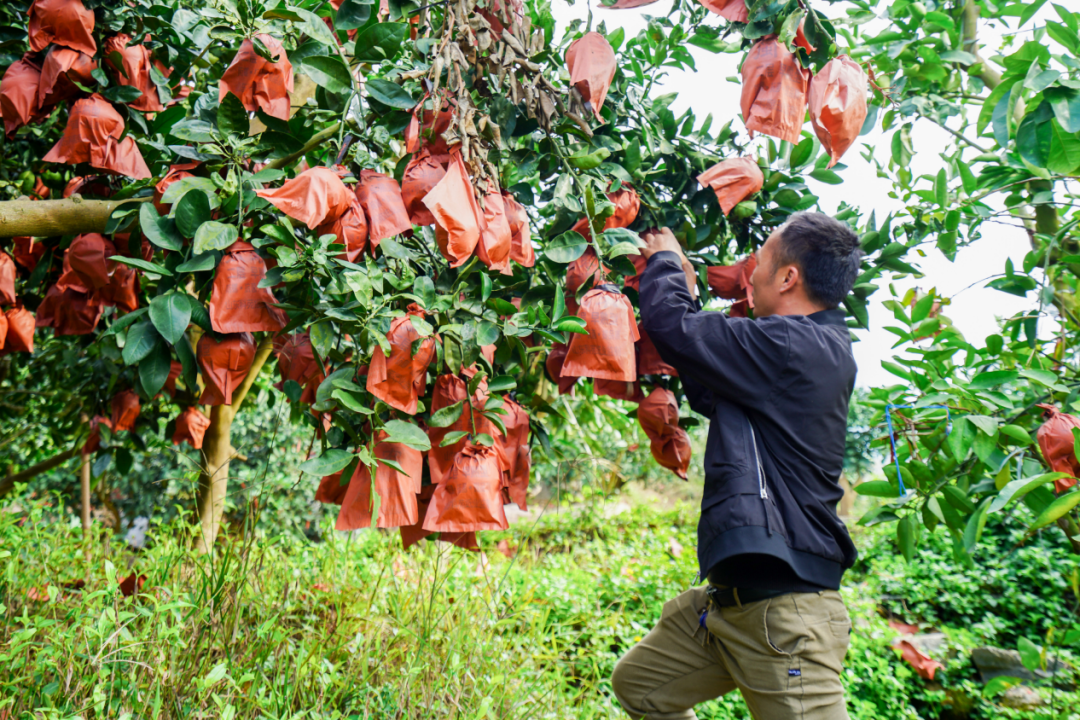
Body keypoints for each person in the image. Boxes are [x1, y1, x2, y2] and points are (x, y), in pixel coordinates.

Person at [612, 212, 862, 720]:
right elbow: (710, 378)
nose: (750, 273)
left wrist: (663, 262)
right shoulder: (794, 350)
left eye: (761, 261)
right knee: (641, 686)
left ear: (788, 277)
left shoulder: (796, 345)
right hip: (730, 606)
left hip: (786, 613)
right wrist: (683, 285)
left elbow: (677, 329)